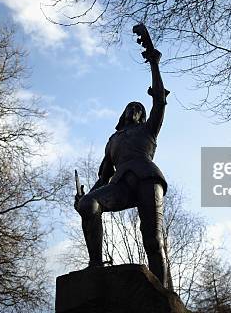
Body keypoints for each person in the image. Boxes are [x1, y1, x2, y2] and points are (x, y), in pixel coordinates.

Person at [74, 24, 170, 288]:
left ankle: (162, 294)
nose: (135, 110)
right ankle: (95, 265)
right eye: (131, 107)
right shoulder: (113, 140)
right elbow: (103, 177)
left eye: (139, 108)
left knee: (152, 239)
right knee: (90, 206)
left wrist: (154, 62)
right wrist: (85, 198)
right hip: (120, 184)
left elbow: (159, 100)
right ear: (124, 113)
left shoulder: (149, 129)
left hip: (148, 180)